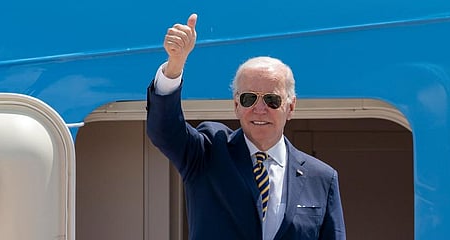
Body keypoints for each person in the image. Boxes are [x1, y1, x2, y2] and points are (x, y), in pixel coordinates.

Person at [146, 13, 346, 240]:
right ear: (236, 105)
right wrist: (174, 66)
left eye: (272, 100)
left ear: (290, 107)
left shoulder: (321, 177)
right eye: (249, 99)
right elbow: (164, 131)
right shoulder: (208, 153)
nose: (260, 109)